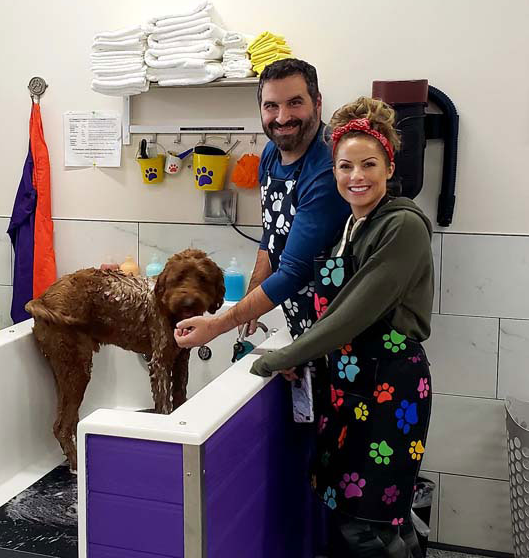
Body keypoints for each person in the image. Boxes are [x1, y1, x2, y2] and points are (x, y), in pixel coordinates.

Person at [251, 97, 434, 558]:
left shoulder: (403, 225)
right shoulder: (350, 227)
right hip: (349, 386)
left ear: (389, 168)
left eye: (369, 164)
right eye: (345, 165)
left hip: (389, 385)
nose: (356, 176)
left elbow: (355, 311)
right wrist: (309, 353)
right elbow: (330, 311)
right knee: (372, 516)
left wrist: (286, 356)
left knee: (368, 525)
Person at [175, 58, 350, 423]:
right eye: (271, 106)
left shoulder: (329, 166)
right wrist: (253, 300)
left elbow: (294, 271)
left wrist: (218, 325)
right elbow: (272, 236)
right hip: (303, 328)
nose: (282, 116)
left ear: (318, 103)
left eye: (295, 103)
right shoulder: (271, 153)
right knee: (311, 446)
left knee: (342, 445)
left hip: (340, 333)